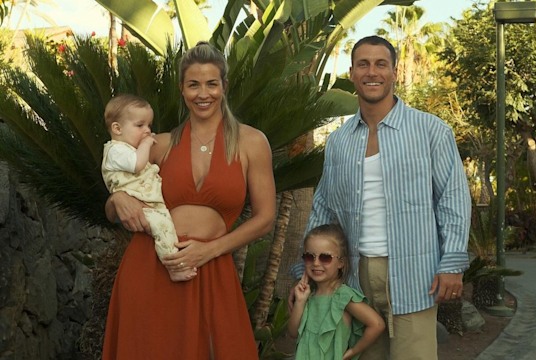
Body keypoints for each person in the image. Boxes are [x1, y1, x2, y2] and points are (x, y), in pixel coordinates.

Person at [290, 36, 472, 359]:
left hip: (415, 275)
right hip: (354, 278)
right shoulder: (338, 142)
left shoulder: (431, 131)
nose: (371, 72)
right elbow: (324, 208)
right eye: (363, 64)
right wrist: (308, 268)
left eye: (380, 64)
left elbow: (453, 199)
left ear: (394, 73)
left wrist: (453, 261)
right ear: (352, 73)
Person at [102, 41, 276, 359]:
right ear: (182, 89)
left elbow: (265, 218)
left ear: (224, 86)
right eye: (193, 84)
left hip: (211, 267)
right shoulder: (160, 144)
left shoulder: (252, 143)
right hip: (152, 268)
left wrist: (208, 250)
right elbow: (115, 196)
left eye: (211, 84)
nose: (203, 93)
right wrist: (118, 199)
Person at [101, 94, 195, 282]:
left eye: (149, 126)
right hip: (140, 203)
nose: (147, 131)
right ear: (117, 128)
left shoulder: (128, 149)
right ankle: (173, 265)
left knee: (164, 226)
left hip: (148, 202)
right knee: (162, 227)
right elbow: (137, 164)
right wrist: (146, 144)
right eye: (139, 125)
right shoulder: (116, 150)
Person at [287, 224, 385, 360]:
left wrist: (353, 351)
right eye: (310, 256)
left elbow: (377, 324)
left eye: (325, 257)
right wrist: (300, 301)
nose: (316, 263)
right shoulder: (309, 294)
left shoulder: (342, 296)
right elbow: (293, 332)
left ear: (341, 263)